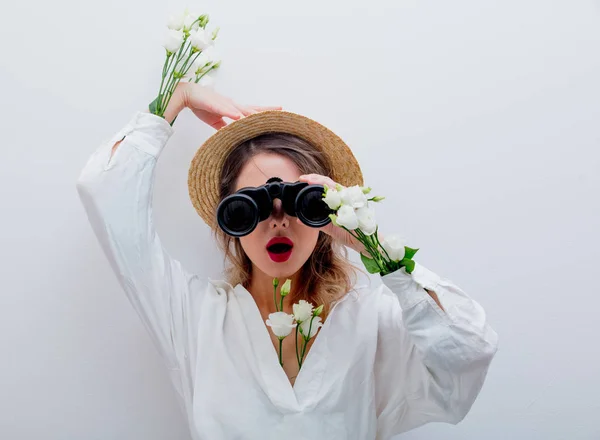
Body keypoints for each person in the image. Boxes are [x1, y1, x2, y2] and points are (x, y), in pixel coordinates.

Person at [76, 82, 498, 440]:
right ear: (231, 219)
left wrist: (369, 242)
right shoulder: (194, 317)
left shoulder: (370, 320)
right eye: (251, 206)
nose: (278, 221)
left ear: (325, 212)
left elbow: (469, 350)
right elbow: (105, 193)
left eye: (300, 202)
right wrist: (178, 97)